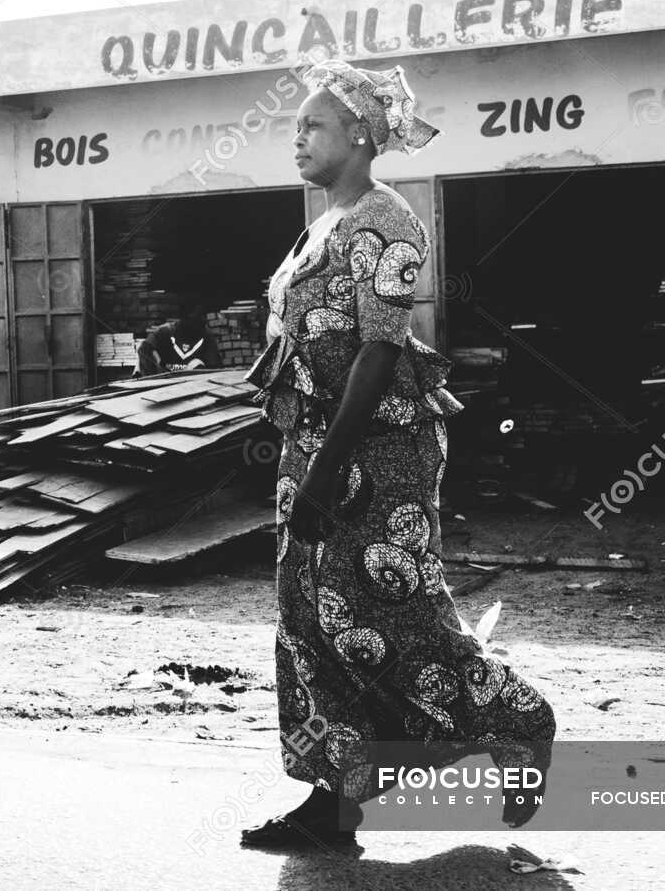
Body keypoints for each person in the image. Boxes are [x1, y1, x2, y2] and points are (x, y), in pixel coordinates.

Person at [237, 59, 556, 852]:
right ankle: (335, 798)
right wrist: (301, 457)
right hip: (311, 445)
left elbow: (380, 355)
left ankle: (519, 723)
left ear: (358, 134)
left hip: (377, 454)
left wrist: (324, 472)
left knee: (393, 614)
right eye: (295, 128)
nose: (298, 140)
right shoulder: (323, 222)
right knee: (308, 615)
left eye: (311, 126)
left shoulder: (387, 221)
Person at [134, 308, 217, 375]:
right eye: (194, 319)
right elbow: (144, 349)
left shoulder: (206, 336)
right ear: (183, 318)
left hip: (194, 385)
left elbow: (214, 366)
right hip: (164, 383)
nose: (202, 323)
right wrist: (156, 371)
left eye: (202, 319)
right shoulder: (164, 332)